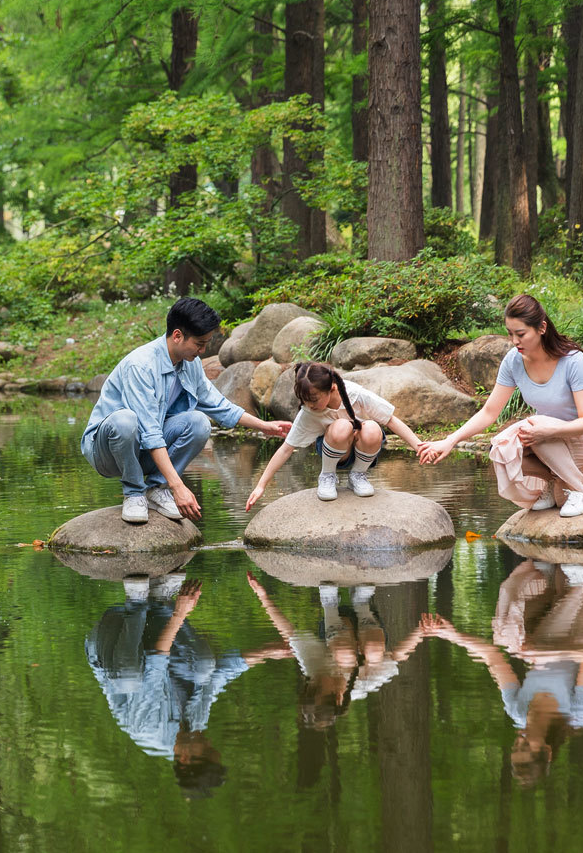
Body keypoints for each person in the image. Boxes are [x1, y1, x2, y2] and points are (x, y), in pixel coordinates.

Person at [83, 298, 292, 524]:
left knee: (199, 423)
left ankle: (157, 489)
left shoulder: (189, 363)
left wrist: (265, 426)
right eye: (199, 344)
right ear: (177, 336)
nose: (203, 351)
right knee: (126, 421)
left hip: (142, 448)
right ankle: (134, 493)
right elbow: (150, 432)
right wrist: (179, 486)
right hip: (107, 451)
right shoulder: (141, 365)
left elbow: (218, 404)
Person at [417, 294, 583, 518]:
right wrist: (450, 440)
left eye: (521, 334)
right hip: (549, 441)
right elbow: (490, 412)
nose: (515, 341)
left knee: (533, 426)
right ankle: (554, 482)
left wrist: (547, 431)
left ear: (541, 328)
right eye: (510, 334)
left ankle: (580, 492)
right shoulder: (513, 360)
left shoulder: (572, 359)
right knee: (500, 449)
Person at [422, 560, 583, 787]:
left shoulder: (517, 711)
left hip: (551, 623)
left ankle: (550, 576)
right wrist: (544, 655)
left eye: (515, 747)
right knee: (543, 638)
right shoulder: (577, 712)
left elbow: (493, 658)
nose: (519, 739)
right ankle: (576, 580)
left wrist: (451, 635)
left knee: (506, 634)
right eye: (526, 746)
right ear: (546, 750)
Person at [86, 576, 246, 798]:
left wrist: (181, 613)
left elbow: (155, 662)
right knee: (204, 668)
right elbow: (219, 675)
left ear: (185, 758)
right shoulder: (196, 725)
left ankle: (136, 601)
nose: (210, 742)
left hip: (110, 639)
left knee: (128, 679)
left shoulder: (148, 730)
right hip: (147, 639)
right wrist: (269, 653)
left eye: (208, 749)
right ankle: (160, 601)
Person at [240, 575, 430, 729]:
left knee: (344, 654)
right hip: (369, 630)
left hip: (336, 624)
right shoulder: (360, 687)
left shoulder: (313, 670)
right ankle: (361, 603)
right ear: (339, 696)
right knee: (372, 655)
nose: (315, 681)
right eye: (319, 688)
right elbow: (396, 657)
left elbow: (288, 633)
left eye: (311, 686)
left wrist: (263, 597)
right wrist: (420, 633)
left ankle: (329, 601)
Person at [244, 361, 425, 509]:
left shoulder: (355, 394)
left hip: (363, 449)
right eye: (304, 400)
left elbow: (390, 419)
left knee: (371, 427)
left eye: (313, 399)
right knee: (341, 427)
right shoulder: (309, 412)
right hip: (335, 449)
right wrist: (261, 485)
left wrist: (419, 446)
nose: (309, 404)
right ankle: (327, 476)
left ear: (331, 388)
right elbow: (286, 449)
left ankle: (358, 476)